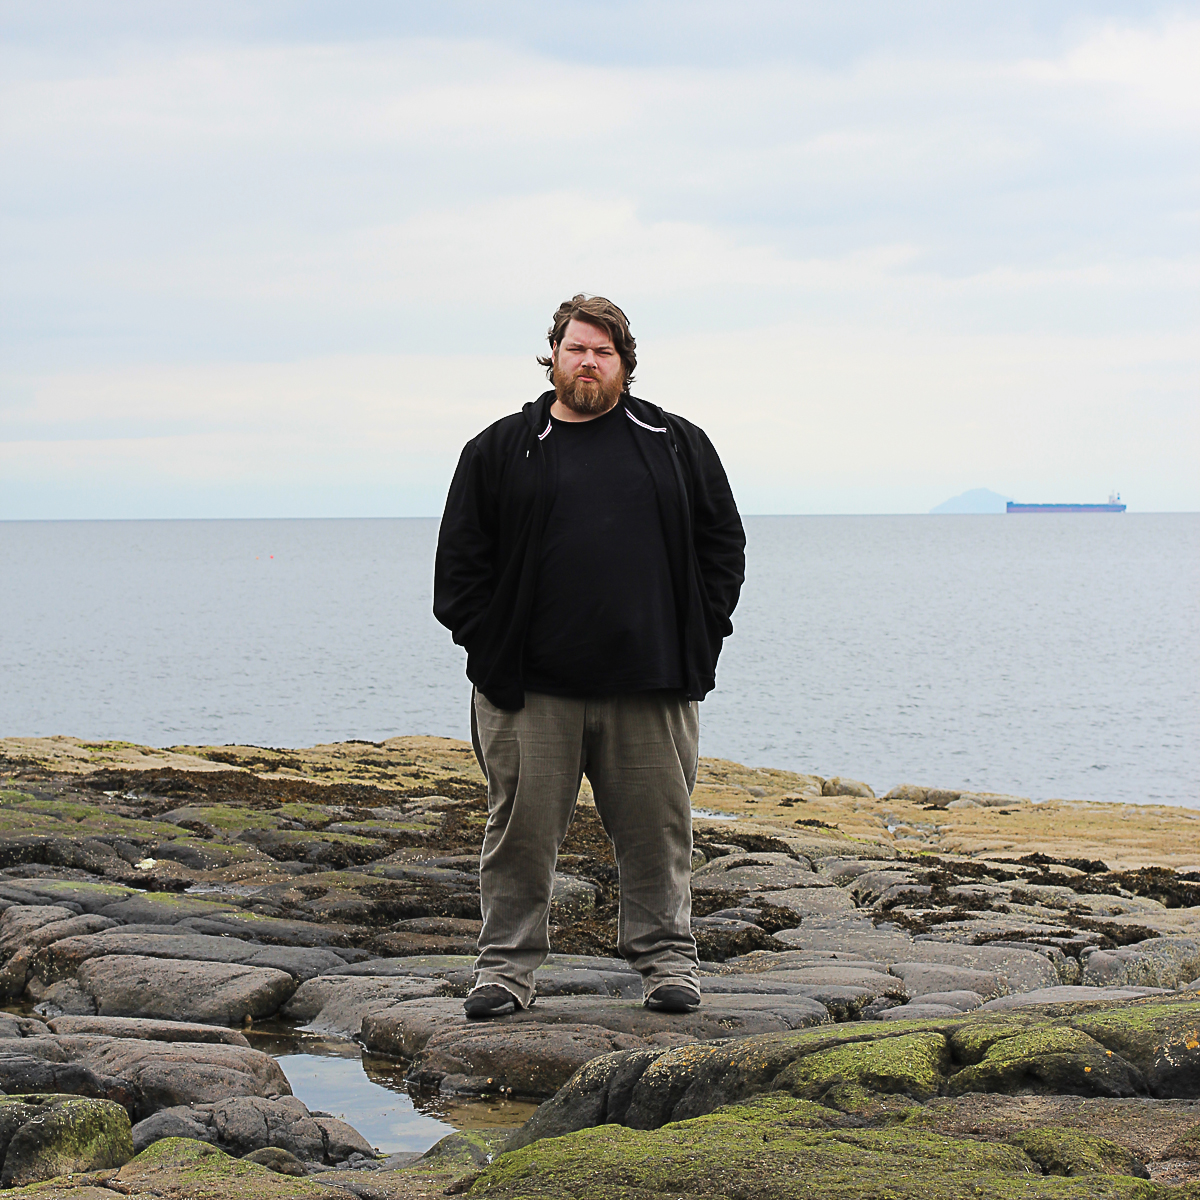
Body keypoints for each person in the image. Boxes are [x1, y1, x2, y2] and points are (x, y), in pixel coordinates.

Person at [433, 294, 745, 1018]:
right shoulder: (499, 449)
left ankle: (668, 964)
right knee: (518, 835)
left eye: (603, 352)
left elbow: (722, 547)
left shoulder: (675, 443)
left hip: (652, 685)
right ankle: (505, 973)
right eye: (576, 348)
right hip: (528, 692)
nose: (588, 363)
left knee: (659, 832)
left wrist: (701, 637)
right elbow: (460, 567)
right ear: (554, 356)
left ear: (624, 364)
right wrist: (488, 644)